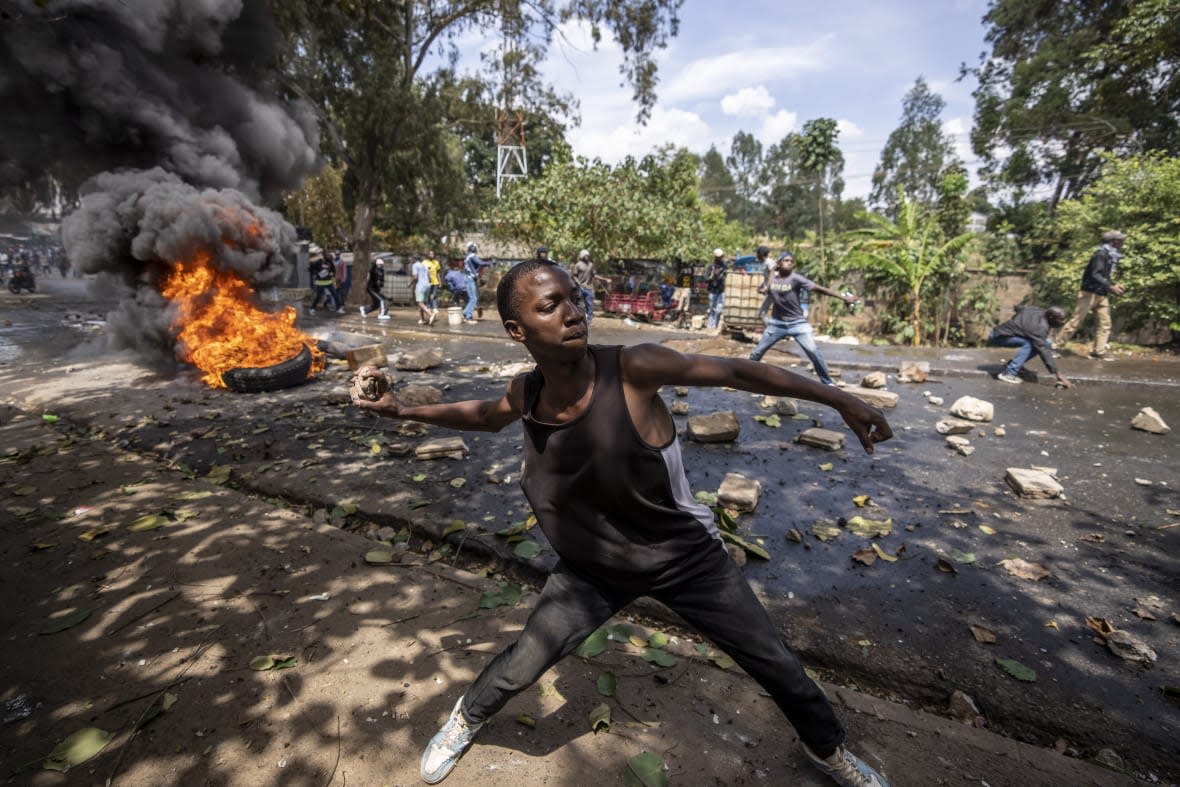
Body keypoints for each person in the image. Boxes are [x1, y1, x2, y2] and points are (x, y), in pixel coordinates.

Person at [352, 260, 893, 787]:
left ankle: (828, 750)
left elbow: (735, 372)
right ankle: (466, 720)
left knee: (775, 663)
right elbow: (486, 416)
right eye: (551, 306)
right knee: (523, 663)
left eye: (573, 299)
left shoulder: (632, 369)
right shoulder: (527, 393)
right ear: (518, 330)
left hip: (684, 558)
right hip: (593, 567)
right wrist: (401, 411)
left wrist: (839, 398)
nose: (573, 313)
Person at [748, 252, 857, 386]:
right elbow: (766, 288)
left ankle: (827, 383)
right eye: (786, 260)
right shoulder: (773, 279)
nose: (789, 263)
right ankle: (745, 377)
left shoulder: (796, 279)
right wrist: (771, 271)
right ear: (779, 263)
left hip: (797, 323)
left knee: (813, 352)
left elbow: (819, 288)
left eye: (791, 261)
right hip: (777, 324)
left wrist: (843, 297)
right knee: (757, 353)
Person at [1053, 230, 1127, 360]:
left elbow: (1104, 276)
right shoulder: (1100, 254)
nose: (1122, 242)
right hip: (1089, 293)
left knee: (1105, 323)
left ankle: (1099, 351)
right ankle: (1055, 347)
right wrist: (1111, 287)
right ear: (1113, 241)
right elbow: (1095, 274)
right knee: (1076, 321)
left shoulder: (1111, 256)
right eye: (1120, 240)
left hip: (1101, 294)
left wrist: (1114, 285)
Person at [988, 305, 1072, 386]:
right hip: (998, 336)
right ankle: (1009, 373)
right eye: (1060, 320)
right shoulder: (1040, 328)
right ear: (1051, 318)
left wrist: (1018, 321)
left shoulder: (1037, 310)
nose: (1062, 322)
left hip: (1005, 333)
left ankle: (1014, 364)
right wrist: (1057, 374)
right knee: (1031, 344)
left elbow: (1018, 307)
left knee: (1047, 342)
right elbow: (1044, 352)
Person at [462, 243, 490, 323]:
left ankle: (468, 316)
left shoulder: (468, 257)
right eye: (474, 247)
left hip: (470, 279)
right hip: (469, 279)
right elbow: (481, 263)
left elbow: (476, 266)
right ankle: (467, 314)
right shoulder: (471, 256)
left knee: (472, 298)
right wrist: (489, 263)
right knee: (473, 298)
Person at [705, 248, 727, 329]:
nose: (721, 257)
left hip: (721, 290)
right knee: (712, 309)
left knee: (719, 309)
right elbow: (705, 279)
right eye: (720, 256)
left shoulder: (724, 265)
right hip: (712, 291)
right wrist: (713, 276)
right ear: (716, 257)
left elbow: (726, 275)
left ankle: (716, 325)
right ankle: (710, 326)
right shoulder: (710, 266)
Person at [411, 254, 435, 325]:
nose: (411, 260)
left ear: (414, 259)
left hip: (420, 286)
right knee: (422, 303)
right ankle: (422, 319)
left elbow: (415, 277)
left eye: (412, 259)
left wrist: (410, 284)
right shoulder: (424, 265)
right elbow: (429, 277)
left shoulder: (415, 265)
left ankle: (430, 314)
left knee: (419, 302)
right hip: (427, 285)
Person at [424, 251, 442, 320]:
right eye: (430, 254)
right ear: (427, 255)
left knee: (434, 295)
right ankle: (428, 307)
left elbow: (438, 273)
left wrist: (440, 282)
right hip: (427, 282)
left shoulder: (436, 262)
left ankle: (434, 308)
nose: (432, 255)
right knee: (428, 295)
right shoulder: (424, 262)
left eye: (433, 254)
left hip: (435, 282)